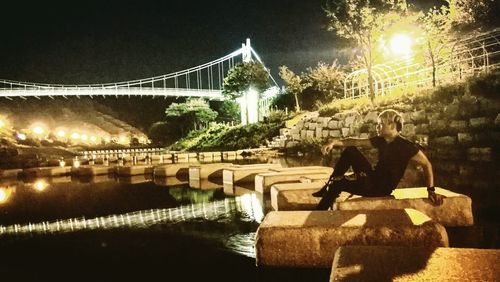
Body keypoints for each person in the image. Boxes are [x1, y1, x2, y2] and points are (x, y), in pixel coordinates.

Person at [313, 109, 445, 210]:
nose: (377, 127)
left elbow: (426, 164)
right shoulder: (381, 140)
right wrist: (334, 143)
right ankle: (330, 187)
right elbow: (354, 142)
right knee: (351, 151)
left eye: (380, 124)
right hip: (371, 178)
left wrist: (431, 190)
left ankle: (318, 214)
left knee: (337, 183)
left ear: (392, 125)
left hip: (378, 188)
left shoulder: (406, 146)